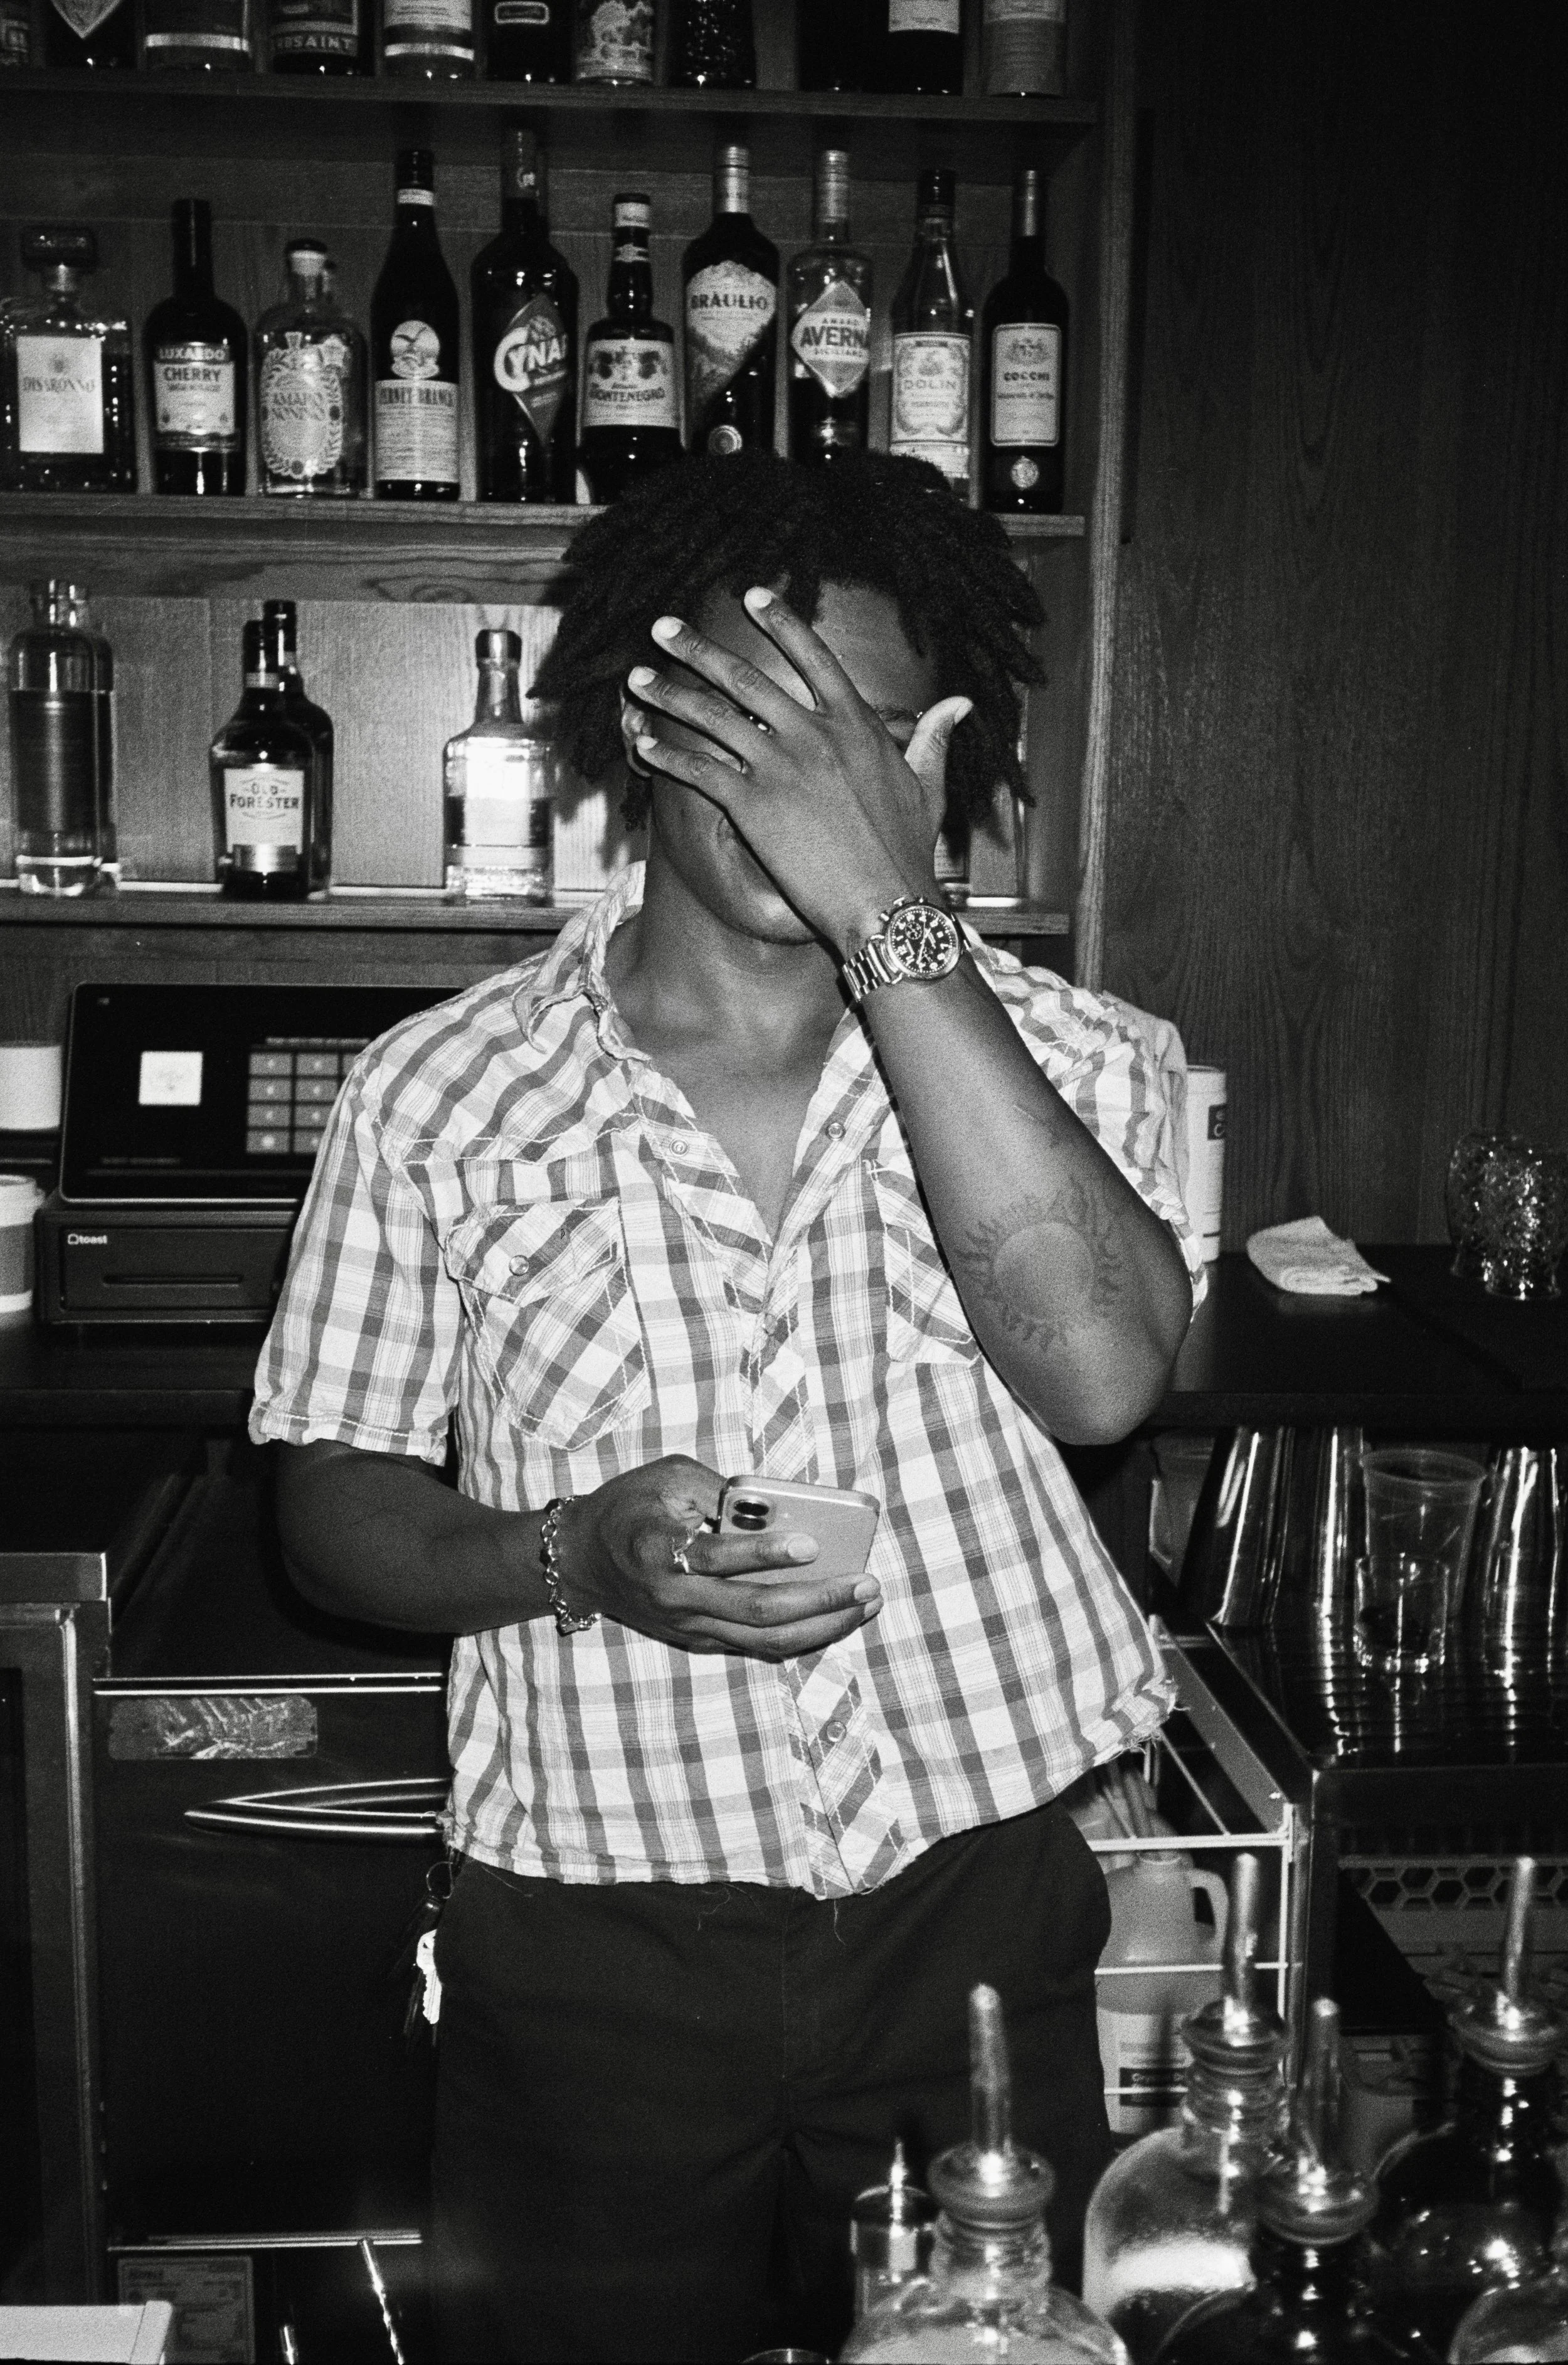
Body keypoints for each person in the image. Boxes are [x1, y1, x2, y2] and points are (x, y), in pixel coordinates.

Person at [250, 451, 1204, 2365]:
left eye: (858, 740)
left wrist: (894, 916)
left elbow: (1102, 1374)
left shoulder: (1087, 1060)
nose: (807, 783)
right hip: (588, 1922)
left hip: (977, 1903)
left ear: (933, 756)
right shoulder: (439, 1093)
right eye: (759, 724)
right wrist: (569, 1552)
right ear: (640, 717)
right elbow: (328, 1505)